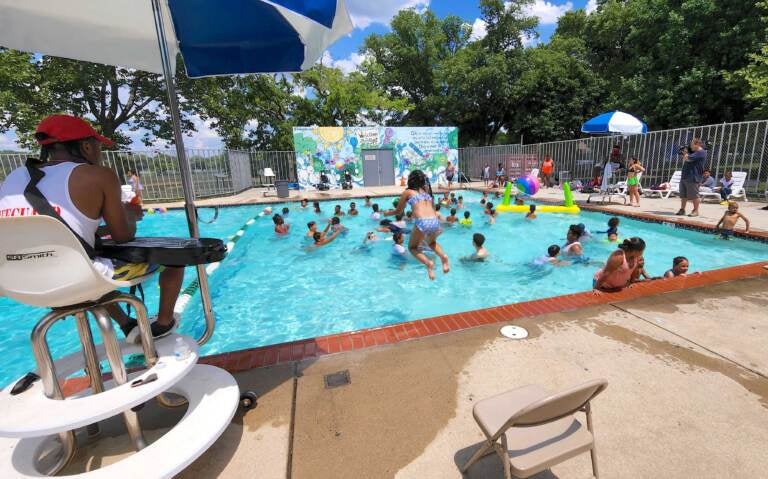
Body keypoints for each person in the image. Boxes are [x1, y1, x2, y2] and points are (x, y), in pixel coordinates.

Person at [0, 114, 183, 341]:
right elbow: (123, 236)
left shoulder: (14, 177)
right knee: (175, 258)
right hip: (76, 278)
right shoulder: (98, 175)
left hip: (18, 284)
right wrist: (130, 216)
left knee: (85, 261)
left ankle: (126, 324)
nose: (99, 152)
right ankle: (164, 323)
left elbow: (62, 233)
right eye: (98, 146)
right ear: (86, 146)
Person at [383, 169, 449, 280]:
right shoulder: (426, 193)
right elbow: (432, 209)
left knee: (412, 247)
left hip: (422, 222)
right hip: (434, 221)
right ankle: (444, 257)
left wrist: (387, 213)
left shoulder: (408, 192)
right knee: (432, 243)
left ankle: (428, 264)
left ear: (411, 180)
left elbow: (398, 211)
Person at [677, 138, 706, 217]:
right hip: (685, 176)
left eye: (692, 144)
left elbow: (688, 159)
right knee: (683, 195)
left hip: (693, 176)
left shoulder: (701, 152)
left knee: (694, 195)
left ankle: (696, 210)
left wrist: (685, 153)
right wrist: (685, 153)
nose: (690, 146)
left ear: (697, 144)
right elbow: (686, 158)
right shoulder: (694, 152)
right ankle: (682, 209)